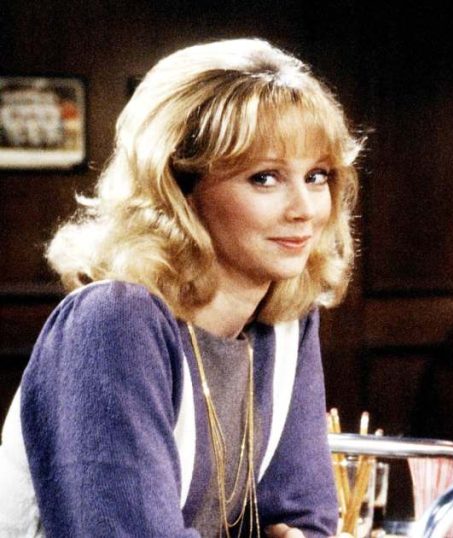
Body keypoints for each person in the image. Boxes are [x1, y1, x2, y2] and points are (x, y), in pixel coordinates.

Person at [0, 38, 360, 537]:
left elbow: (307, 523)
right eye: (265, 178)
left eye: (317, 176)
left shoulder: (285, 319)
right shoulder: (113, 321)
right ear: (178, 188)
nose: (304, 209)